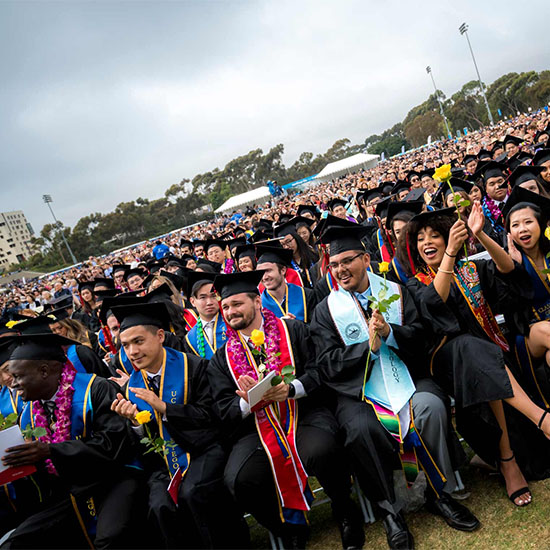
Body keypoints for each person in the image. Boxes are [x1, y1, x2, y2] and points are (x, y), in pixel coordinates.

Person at [310, 223, 478, 550]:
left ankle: (437, 492)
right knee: (359, 428)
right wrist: (367, 349)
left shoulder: (395, 292)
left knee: (430, 406)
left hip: (405, 375)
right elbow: (327, 363)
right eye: (335, 265)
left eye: (348, 261)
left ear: (365, 258)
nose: (341, 270)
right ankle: (390, 512)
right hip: (358, 392)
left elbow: (424, 336)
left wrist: (390, 334)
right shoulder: (325, 310)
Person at [404, 205, 550, 508]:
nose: (427, 242)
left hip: (491, 362)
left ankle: (499, 458)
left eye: (434, 235)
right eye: (420, 238)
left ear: (448, 237)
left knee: (538, 463)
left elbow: (509, 271)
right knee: (470, 347)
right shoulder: (415, 282)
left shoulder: (471, 270)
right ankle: (538, 424)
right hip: (449, 366)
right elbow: (434, 304)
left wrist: (480, 233)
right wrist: (450, 255)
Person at [208, 271, 365, 550]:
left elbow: (320, 371)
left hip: (303, 413)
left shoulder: (293, 331)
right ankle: (287, 527)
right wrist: (247, 401)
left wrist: (291, 389)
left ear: (257, 302)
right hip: (256, 429)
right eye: (227, 306)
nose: (230, 311)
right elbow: (222, 408)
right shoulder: (222, 360)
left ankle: (344, 507)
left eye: (237, 304)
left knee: (321, 449)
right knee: (239, 479)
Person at [109, 301, 247, 549]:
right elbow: (146, 446)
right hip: (165, 463)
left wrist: (165, 408)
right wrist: (135, 425)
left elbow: (213, 416)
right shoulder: (133, 387)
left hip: (205, 449)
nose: (132, 351)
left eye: (138, 341)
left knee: (192, 492)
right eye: (126, 345)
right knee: (159, 504)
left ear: (160, 336)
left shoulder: (194, 367)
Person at [2, 332, 142, 549]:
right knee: (16, 543)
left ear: (44, 371)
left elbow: (115, 445)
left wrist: (51, 451)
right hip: (70, 489)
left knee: (109, 538)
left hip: (115, 478)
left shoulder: (97, 389)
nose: (14, 385)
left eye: (18, 376)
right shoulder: (29, 413)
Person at [503, 187, 550, 405]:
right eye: (515, 225)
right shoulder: (508, 264)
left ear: (541, 224)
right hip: (530, 333)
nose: (522, 228)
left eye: (528, 222)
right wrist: (517, 270)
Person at [256, 245, 316, 322]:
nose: (264, 277)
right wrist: (280, 325)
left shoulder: (307, 295)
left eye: (268, 270)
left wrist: (295, 326)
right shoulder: (258, 306)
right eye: (260, 273)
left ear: (283, 270)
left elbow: (317, 329)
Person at [184, 272, 227, 359]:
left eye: (213, 296)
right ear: (192, 301)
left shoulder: (231, 323)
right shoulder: (190, 338)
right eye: (203, 297)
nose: (209, 302)